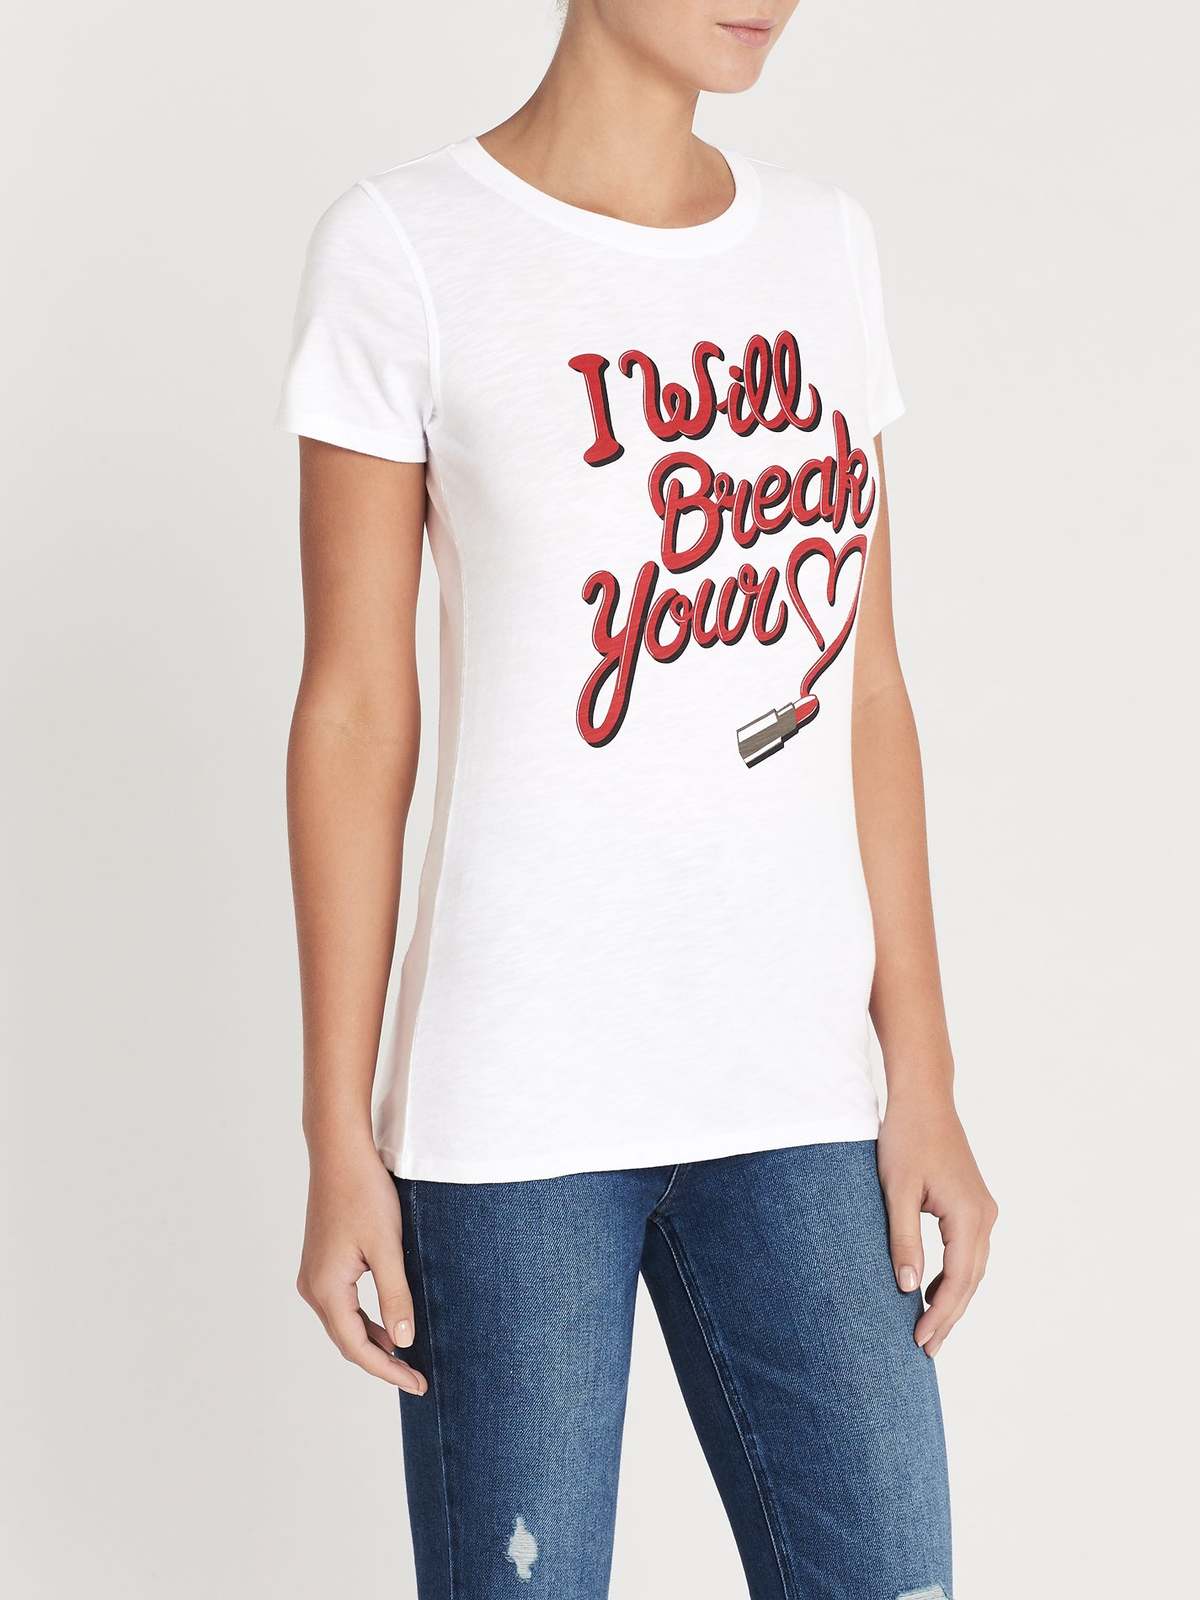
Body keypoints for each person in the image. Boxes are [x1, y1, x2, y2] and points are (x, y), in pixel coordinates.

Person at [278, 3, 997, 1595]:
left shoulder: (822, 247)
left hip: (800, 1095)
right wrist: (336, 1130)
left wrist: (925, 1075)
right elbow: (354, 710)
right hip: (514, 1109)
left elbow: (866, 690)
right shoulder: (406, 248)